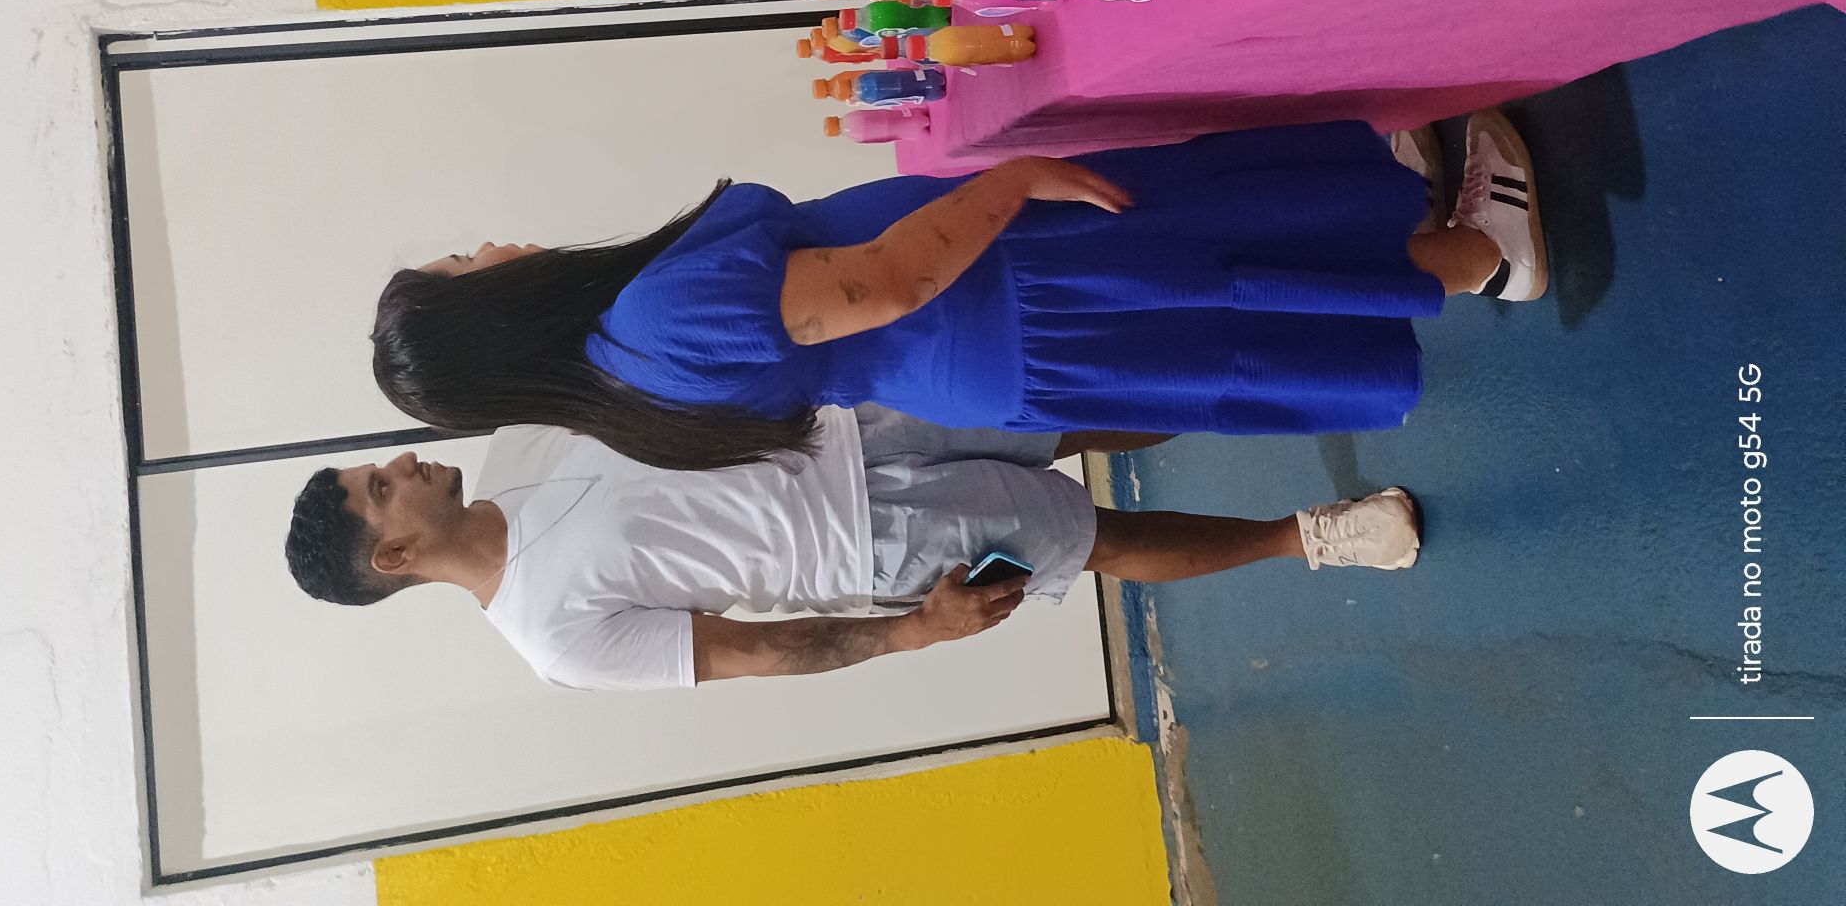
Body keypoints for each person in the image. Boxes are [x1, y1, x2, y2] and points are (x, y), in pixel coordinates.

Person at [370, 115, 1547, 472]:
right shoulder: (651, 324)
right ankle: (1485, 252)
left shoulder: (624, 381)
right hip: (1013, 295)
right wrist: (1011, 180)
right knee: (1226, 284)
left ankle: (1429, 226)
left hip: (997, 326)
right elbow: (881, 284)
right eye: (462, 265)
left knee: (1231, 298)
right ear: (486, 318)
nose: (485, 247)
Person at [283, 412, 1423, 690]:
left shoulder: (520, 442)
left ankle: (1293, 373)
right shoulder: (554, 637)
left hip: (848, 422)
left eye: (382, 464)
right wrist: (914, 631)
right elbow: (759, 652)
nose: (407, 463)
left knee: (1075, 406)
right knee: (1099, 539)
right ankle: (1314, 538)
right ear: (394, 556)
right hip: (875, 544)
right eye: (383, 488)